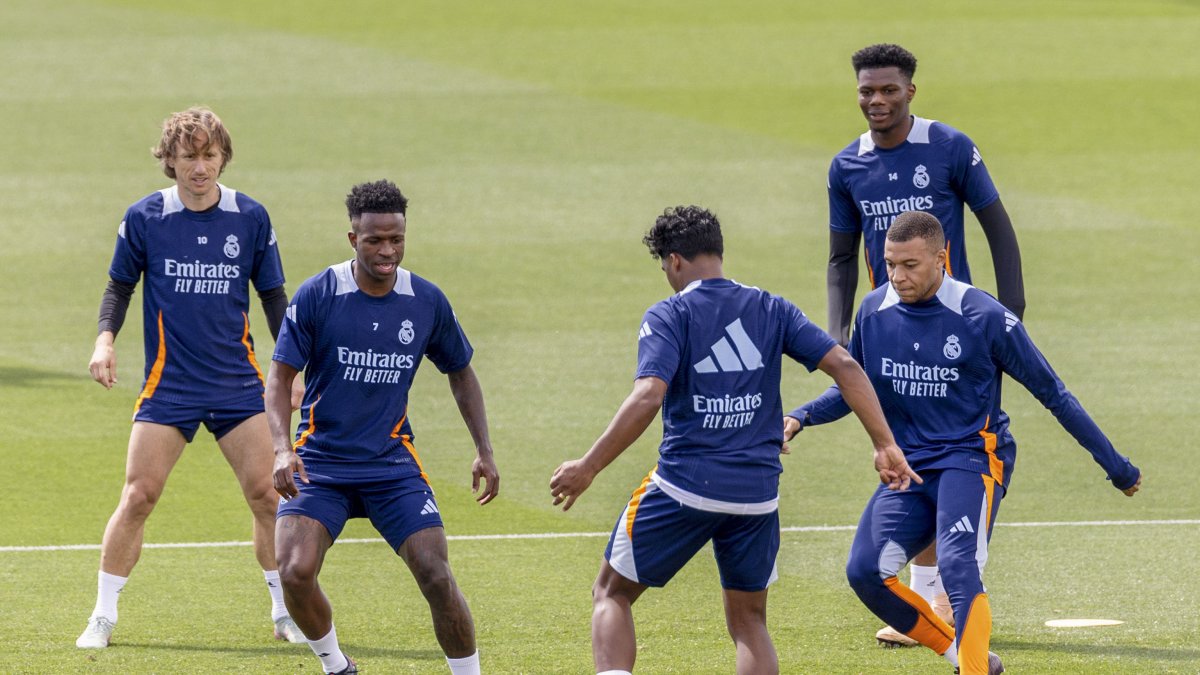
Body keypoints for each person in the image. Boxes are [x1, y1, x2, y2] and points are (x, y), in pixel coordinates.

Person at [550, 205, 916, 675]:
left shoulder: (671, 313)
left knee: (611, 593)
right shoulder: (771, 307)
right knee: (749, 622)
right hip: (757, 498)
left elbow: (648, 396)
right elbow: (845, 367)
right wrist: (885, 443)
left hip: (684, 486)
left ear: (675, 261)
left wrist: (589, 466)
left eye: (664, 266)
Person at [786, 211, 1142, 674]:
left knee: (958, 568)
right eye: (890, 264)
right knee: (865, 573)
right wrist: (799, 416)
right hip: (910, 466)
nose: (897, 276)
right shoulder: (874, 311)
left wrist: (1117, 467)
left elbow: (1054, 394)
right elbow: (854, 387)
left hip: (972, 459)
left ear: (942, 257)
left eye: (910, 265)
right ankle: (966, 657)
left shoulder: (984, 316)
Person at [77, 107, 304, 649]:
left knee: (268, 497)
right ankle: (102, 615)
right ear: (170, 161)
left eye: (209, 155)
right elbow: (119, 286)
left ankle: (284, 612)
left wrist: (296, 368)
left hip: (237, 384)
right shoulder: (146, 217)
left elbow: (274, 297)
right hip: (169, 385)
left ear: (222, 156)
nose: (200, 167)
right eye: (189, 157)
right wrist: (104, 340)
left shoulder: (250, 217)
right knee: (138, 497)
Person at [825, 43, 1027, 645]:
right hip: (889, 334)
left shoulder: (949, 148)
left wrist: (1011, 313)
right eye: (867, 91)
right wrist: (838, 338)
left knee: (958, 449)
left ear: (911, 90)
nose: (877, 100)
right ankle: (934, 599)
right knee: (916, 450)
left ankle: (948, 597)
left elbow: (998, 225)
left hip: (956, 334)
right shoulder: (846, 167)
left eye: (888, 89)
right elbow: (840, 256)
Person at [266, 179, 499, 675]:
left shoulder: (425, 301)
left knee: (436, 573)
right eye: (375, 240)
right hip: (322, 462)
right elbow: (280, 374)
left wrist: (484, 449)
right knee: (294, 571)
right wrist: (282, 449)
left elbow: (461, 373)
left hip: (391, 464)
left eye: (396, 239)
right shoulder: (318, 295)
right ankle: (337, 667)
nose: (387, 250)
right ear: (353, 239)